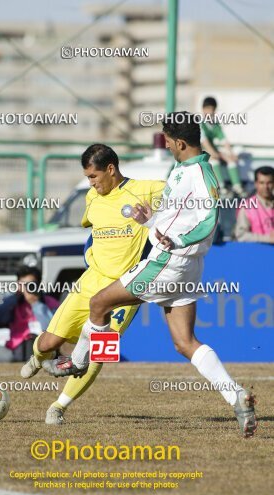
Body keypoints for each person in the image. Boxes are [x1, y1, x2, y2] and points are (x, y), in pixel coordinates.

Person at [49, 113, 257, 438]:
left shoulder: (200, 174)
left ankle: (76, 362)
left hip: (167, 262)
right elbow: (177, 217)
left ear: (180, 142)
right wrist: (151, 222)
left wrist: (177, 240)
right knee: (185, 342)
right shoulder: (182, 169)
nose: (168, 146)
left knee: (99, 303)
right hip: (185, 268)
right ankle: (236, 396)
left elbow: (209, 218)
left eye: (169, 141)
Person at [20, 143, 165, 424]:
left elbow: (183, 195)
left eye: (93, 177)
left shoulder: (148, 190)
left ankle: (58, 407)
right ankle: (38, 358)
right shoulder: (91, 198)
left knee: (98, 353)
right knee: (51, 341)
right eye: (88, 178)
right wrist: (91, 252)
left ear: (111, 169)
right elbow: (91, 231)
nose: (92, 183)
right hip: (90, 283)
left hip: (125, 288)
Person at [0, 266, 59, 361]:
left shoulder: (50, 302)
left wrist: (36, 304)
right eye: (23, 284)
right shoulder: (13, 302)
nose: (27, 288)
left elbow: (54, 328)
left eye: (31, 284)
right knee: (28, 343)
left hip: (45, 345)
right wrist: (16, 297)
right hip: (20, 346)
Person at [201, 96, 246, 198]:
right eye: (208, 109)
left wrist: (231, 153)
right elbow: (204, 142)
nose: (210, 112)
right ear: (203, 110)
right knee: (214, 159)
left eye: (212, 109)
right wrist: (214, 153)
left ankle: (237, 186)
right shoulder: (200, 123)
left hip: (212, 151)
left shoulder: (215, 125)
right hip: (201, 152)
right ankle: (220, 187)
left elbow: (224, 140)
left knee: (230, 159)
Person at [235, 166, 274, 243]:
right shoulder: (246, 206)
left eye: (269, 183)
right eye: (262, 183)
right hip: (257, 253)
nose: (266, 187)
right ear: (256, 184)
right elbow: (241, 235)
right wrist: (268, 239)